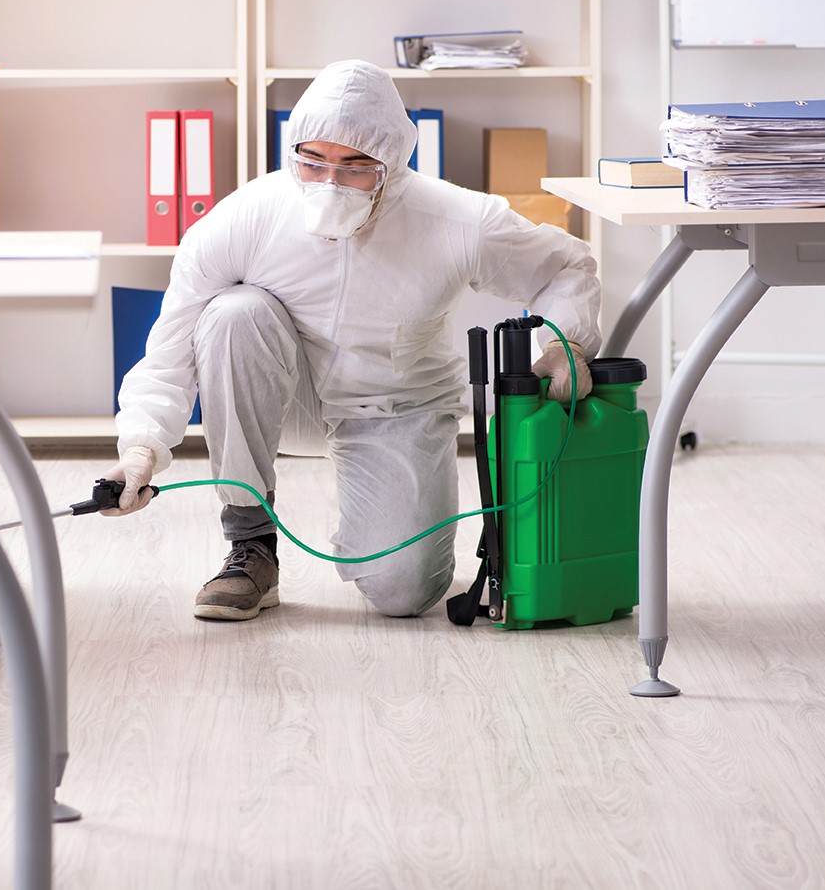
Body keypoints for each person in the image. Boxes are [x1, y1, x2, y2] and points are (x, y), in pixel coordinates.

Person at [103, 59, 601, 622]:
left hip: (396, 406)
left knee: (404, 593)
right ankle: (251, 546)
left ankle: (383, 540)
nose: (331, 182)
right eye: (313, 162)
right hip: (288, 396)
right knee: (232, 315)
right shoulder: (245, 218)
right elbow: (171, 344)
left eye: (356, 166)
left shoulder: (455, 218)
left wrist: (568, 344)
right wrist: (141, 448)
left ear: (391, 162)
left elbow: (564, 266)